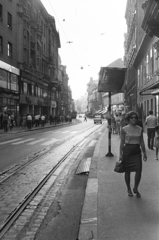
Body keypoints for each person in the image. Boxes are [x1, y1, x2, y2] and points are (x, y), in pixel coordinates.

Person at [119, 111, 147, 198]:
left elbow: (141, 141)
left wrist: (144, 152)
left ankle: (135, 187)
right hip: (127, 151)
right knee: (127, 171)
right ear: (128, 119)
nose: (134, 119)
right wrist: (120, 154)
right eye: (132, 117)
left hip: (136, 151)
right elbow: (122, 142)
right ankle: (128, 189)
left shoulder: (140, 129)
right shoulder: (124, 129)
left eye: (135, 117)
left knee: (138, 171)